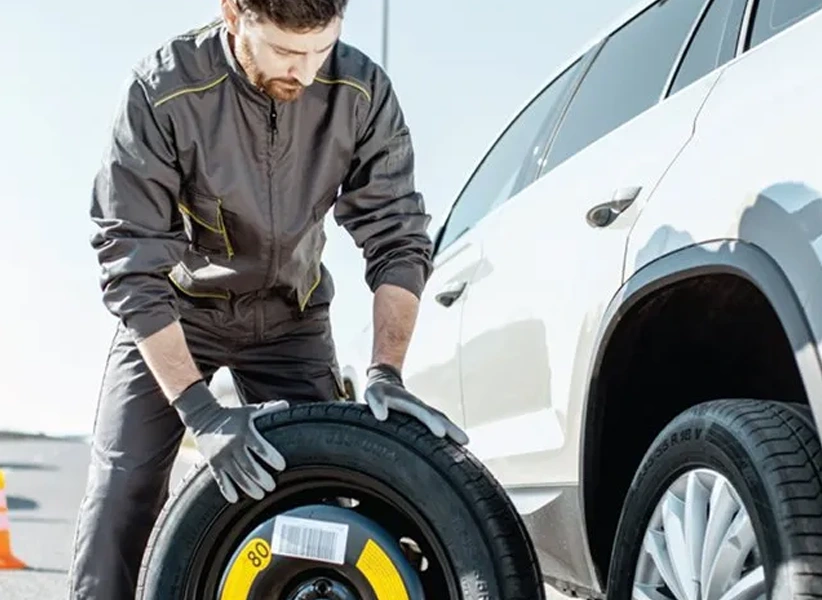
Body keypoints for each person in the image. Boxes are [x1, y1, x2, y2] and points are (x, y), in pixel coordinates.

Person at [68, 0, 469, 597]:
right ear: (234, 16)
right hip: (177, 314)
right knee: (121, 492)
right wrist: (201, 413)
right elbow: (131, 262)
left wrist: (387, 369)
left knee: (326, 488)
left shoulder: (359, 90)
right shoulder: (163, 90)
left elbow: (398, 236)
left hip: (291, 318)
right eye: (285, 51)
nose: (305, 72)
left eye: (320, 49)